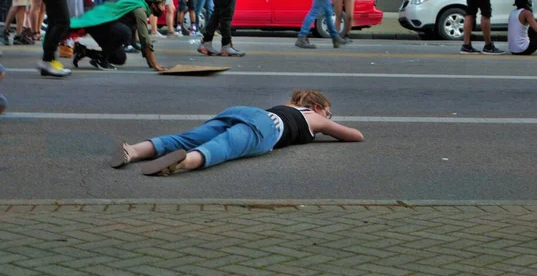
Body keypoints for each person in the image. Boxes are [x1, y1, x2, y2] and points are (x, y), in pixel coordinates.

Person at [110, 89, 364, 176]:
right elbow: (353, 135)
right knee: (226, 147)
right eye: (328, 113)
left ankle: (132, 150)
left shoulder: (287, 107)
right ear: (317, 108)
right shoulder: (313, 118)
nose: (328, 119)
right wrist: (328, 125)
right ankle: (184, 162)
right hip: (267, 128)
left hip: (243, 111)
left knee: (187, 137)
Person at [70, 0, 168, 71]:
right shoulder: (140, 9)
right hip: (98, 21)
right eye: (162, 4)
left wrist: (150, 63)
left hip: (103, 24)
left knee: (120, 58)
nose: (164, 8)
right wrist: (155, 65)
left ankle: (83, 51)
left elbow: (143, 40)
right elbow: (145, 38)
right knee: (125, 33)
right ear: (153, 5)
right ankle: (101, 59)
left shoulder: (140, 1)